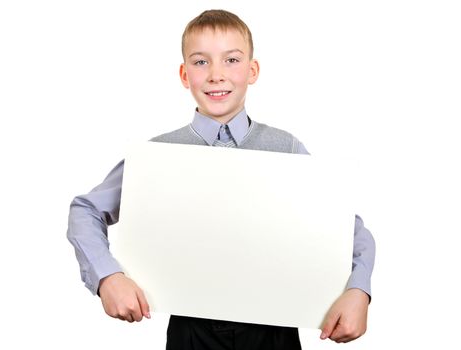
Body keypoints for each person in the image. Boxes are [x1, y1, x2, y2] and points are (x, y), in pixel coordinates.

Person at [67, 9, 375, 350]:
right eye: (201, 62)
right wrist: (108, 277)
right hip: (191, 332)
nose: (216, 75)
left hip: (273, 332)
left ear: (252, 70)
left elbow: (347, 230)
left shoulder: (285, 148)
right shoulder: (159, 155)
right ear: (185, 74)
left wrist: (358, 290)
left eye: (231, 60)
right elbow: (85, 209)